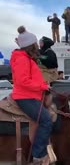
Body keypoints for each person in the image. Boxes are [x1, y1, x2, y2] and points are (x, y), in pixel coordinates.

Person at [11, 30, 52, 164]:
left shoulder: (26, 58)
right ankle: (38, 155)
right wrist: (42, 87)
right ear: (31, 45)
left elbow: (31, 78)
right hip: (24, 97)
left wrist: (43, 84)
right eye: (35, 43)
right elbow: (23, 81)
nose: (37, 46)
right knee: (46, 120)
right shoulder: (23, 59)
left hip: (30, 95)